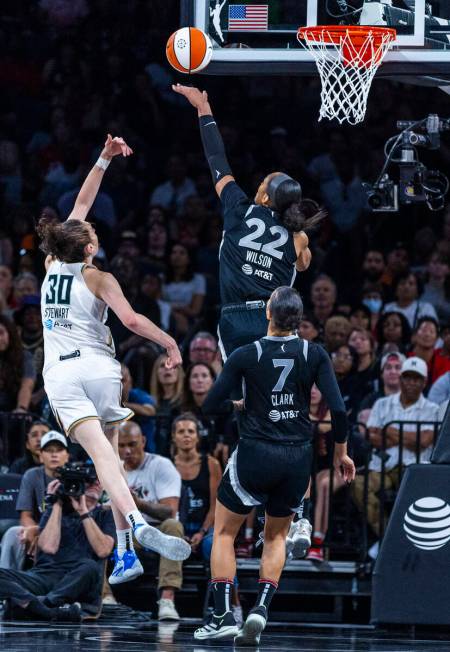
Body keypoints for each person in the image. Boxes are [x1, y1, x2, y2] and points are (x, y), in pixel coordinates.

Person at [36, 133, 191, 584]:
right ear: (87, 248)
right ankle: (128, 546)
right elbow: (133, 320)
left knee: (104, 457)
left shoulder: (50, 266)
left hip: (61, 374)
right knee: (111, 459)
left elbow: (79, 209)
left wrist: (103, 159)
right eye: (94, 236)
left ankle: (133, 535)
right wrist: (170, 343)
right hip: (102, 370)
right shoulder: (99, 277)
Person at [193, 286, 355, 643]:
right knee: (276, 536)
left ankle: (222, 615)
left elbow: (210, 405)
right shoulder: (315, 353)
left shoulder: (245, 353)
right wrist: (341, 452)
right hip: (297, 457)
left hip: (256, 452)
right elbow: (340, 411)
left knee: (223, 533)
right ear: (299, 320)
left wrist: (240, 405)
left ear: (268, 313)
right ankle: (262, 609)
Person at [172, 84, 323, 360]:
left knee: (242, 398)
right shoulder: (297, 236)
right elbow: (304, 265)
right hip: (274, 320)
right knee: (280, 396)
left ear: (265, 197)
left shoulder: (239, 208)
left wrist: (203, 108)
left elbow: (216, 158)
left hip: (235, 318)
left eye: (263, 181)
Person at [0, 471, 115, 622]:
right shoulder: (56, 510)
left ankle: (32, 605)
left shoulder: (105, 514)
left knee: (90, 566)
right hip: (42, 577)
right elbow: (49, 547)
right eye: (90, 481)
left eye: (99, 482)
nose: (96, 485)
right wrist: (57, 504)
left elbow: (103, 550)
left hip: (76, 580)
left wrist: (83, 512)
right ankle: (45, 609)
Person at [352, 357, 440, 548]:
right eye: (407, 378)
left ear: (424, 382)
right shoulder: (382, 404)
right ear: (400, 380)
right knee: (359, 486)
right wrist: (409, 437)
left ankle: (400, 541)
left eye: (416, 379)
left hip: (413, 468)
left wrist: (390, 430)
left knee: (412, 497)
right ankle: (389, 539)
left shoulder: (432, 409)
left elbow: (423, 442)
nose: (411, 383)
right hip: (382, 466)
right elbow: (372, 436)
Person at [117, 421, 185, 621]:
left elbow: (169, 512)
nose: (127, 450)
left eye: (132, 444)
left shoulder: (161, 465)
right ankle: (105, 599)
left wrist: (137, 503)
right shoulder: (111, 470)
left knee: (174, 526)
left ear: (143, 441)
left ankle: (167, 600)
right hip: (127, 532)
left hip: (156, 529)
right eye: (121, 446)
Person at [0, 430, 69, 570]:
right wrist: (34, 529)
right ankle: (6, 581)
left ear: (67, 456)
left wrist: (41, 531)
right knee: (14, 533)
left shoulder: (74, 477)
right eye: (49, 450)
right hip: (39, 528)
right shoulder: (32, 476)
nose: (54, 454)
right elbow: (25, 515)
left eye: (59, 450)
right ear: (41, 456)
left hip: (70, 531)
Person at [172, 413, 222, 560]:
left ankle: (225, 583)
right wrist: (179, 534)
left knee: (213, 544)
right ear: (174, 437)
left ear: (197, 437)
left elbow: (216, 506)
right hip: (177, 527)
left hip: (205, 526)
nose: (186, 435)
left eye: (191, 431)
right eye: (181, 432)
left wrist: (202, 532)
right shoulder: (166, 465)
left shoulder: (212, 464)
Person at [150, 353, 185, 456]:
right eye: (162, 366)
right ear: (156, 373)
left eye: (172, 365)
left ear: (179, 372)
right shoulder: (149, 403)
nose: (167, 368)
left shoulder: (186, 402)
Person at [121, 363, 156, 453]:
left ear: (130, 382)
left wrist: (122, 405)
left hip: (145, 452)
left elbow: (150, 411)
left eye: (123, 380)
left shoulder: (137, 395)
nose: (119, 385)